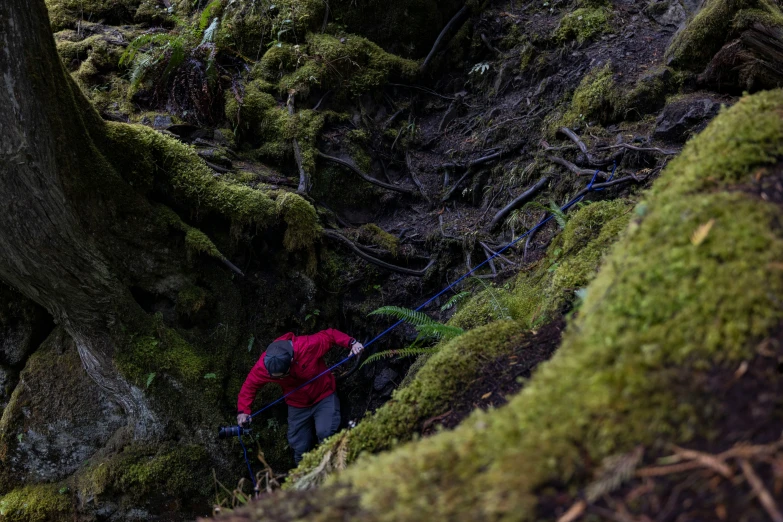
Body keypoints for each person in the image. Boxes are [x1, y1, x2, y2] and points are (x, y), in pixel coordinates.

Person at [236, 329, 364, 464]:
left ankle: (330, 469)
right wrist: (243, 412)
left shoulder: (307, 346)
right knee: (299, 445)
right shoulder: (265, 365)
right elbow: (250, 386)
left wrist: (352, 343)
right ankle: (303, 479)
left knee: (325, 433)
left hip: (323, 395)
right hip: (297, 404)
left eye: (284, 375)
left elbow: (330, 335)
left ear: (291, 360)